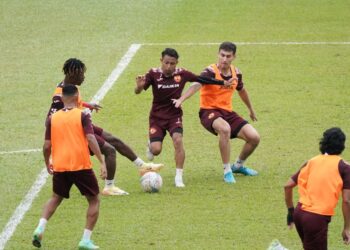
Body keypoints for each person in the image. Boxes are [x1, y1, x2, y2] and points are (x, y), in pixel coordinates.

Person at [47, 58, 163, 195]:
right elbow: (50, 120)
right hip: (76, 132)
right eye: (82, 74)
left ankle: (143, 166)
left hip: (81, 124)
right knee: (110, 150)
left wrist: (87, 105)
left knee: (113, 139)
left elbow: (72, 102)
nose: (84, 77)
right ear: (73, 73)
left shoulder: (70, 87)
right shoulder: (58, 96)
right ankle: (109, 187)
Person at [135, 48, 232, 187]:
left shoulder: (182, 73)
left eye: (172, 63)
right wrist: (138, 87)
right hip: (156, 117)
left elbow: (201, 79)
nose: (169, 67)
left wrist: (223, 83)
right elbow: (138, 91)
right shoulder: (153, 74)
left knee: (178, 140)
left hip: (174, 115)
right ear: (161, 60)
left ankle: (178, 176)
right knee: (156, 150)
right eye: (166, 63)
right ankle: (150, 145)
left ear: (177, 63)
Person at [173, 42, 259, 183]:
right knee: (225, 129)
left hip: (227, 112)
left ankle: (238, 165)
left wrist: (250, 109)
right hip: (209, 111)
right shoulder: (210, 72)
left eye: (228, 56)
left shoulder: (236, 73)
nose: (224, 59)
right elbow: (196, 84)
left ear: (234, 57)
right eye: (222, 55)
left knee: (254, 137)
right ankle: (227, 171)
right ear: (218, 54)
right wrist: (181, 99)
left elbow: (241, 90)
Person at [33, 84, 107, 249]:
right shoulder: (83, 115)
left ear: (62, 98)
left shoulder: (53, 118)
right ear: (76, 96)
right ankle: (85, 240)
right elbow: (90, 138)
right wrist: (102, 161)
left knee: (55, 198)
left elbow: (46, 146)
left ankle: (40, 227)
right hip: (81, 165)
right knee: (94, 200)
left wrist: (47, 163)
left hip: (60, 166)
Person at [284, 127, 350, 250]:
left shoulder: (311, 161)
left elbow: (287, 186)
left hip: (299, 213)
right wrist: (347, 228)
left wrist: (290, 212)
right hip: (316, 218)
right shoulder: (345, 168)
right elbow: (346, 200)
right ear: (342, 146)